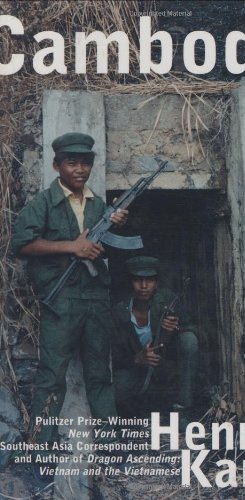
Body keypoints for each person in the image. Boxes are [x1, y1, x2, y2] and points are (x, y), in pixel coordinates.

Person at [12, 132, 128, 447]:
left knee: (100, 376)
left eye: (85, 163)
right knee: (51, 378)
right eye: (71, 162)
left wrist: (115, 224)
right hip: (60, 301)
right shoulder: (43, 203)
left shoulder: (98, 205)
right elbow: (20, 245)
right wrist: (73, 247)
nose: (79, 169)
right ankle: (41, 447)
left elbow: (104, 249)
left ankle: (111, 447)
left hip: (94, 299)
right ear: (56, 165)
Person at [112, 256, 198, 420]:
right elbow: (111, 356)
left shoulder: (167, 300)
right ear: (130, 283)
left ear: (156, 283)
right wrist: (136, 359)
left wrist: (175, 329)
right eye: (138, 280)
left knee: (189, 340)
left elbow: (194, 328)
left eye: (149, 280)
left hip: (166, 370)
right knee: (117, 386)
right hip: (136, 374)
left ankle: (183, 409)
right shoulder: (119, 312)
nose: (144, 286)